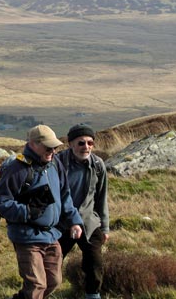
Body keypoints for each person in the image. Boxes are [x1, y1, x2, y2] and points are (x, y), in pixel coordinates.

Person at [0, 125, 83, 299]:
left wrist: (74, 221)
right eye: (48, 147)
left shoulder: (55, 164)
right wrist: (27, 211)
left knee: (53, 281)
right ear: (33, 144)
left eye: (55, 147)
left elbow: (65, 195)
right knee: (36, 285)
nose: (52, 151)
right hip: (27, 237)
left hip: (52, 234)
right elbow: (0, 202)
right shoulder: (17, 168)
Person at [57, 124, 109, 299]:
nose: (86, 147)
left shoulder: (98, 165)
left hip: (89, 222)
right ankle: (41, 293)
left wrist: (105, 228)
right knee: (52, 262)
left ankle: (92, 295)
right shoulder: (57, 163)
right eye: (81, 143)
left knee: (95, 263)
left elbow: (101, 198)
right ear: (70, 144)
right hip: (61, 223)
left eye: (90, 143)